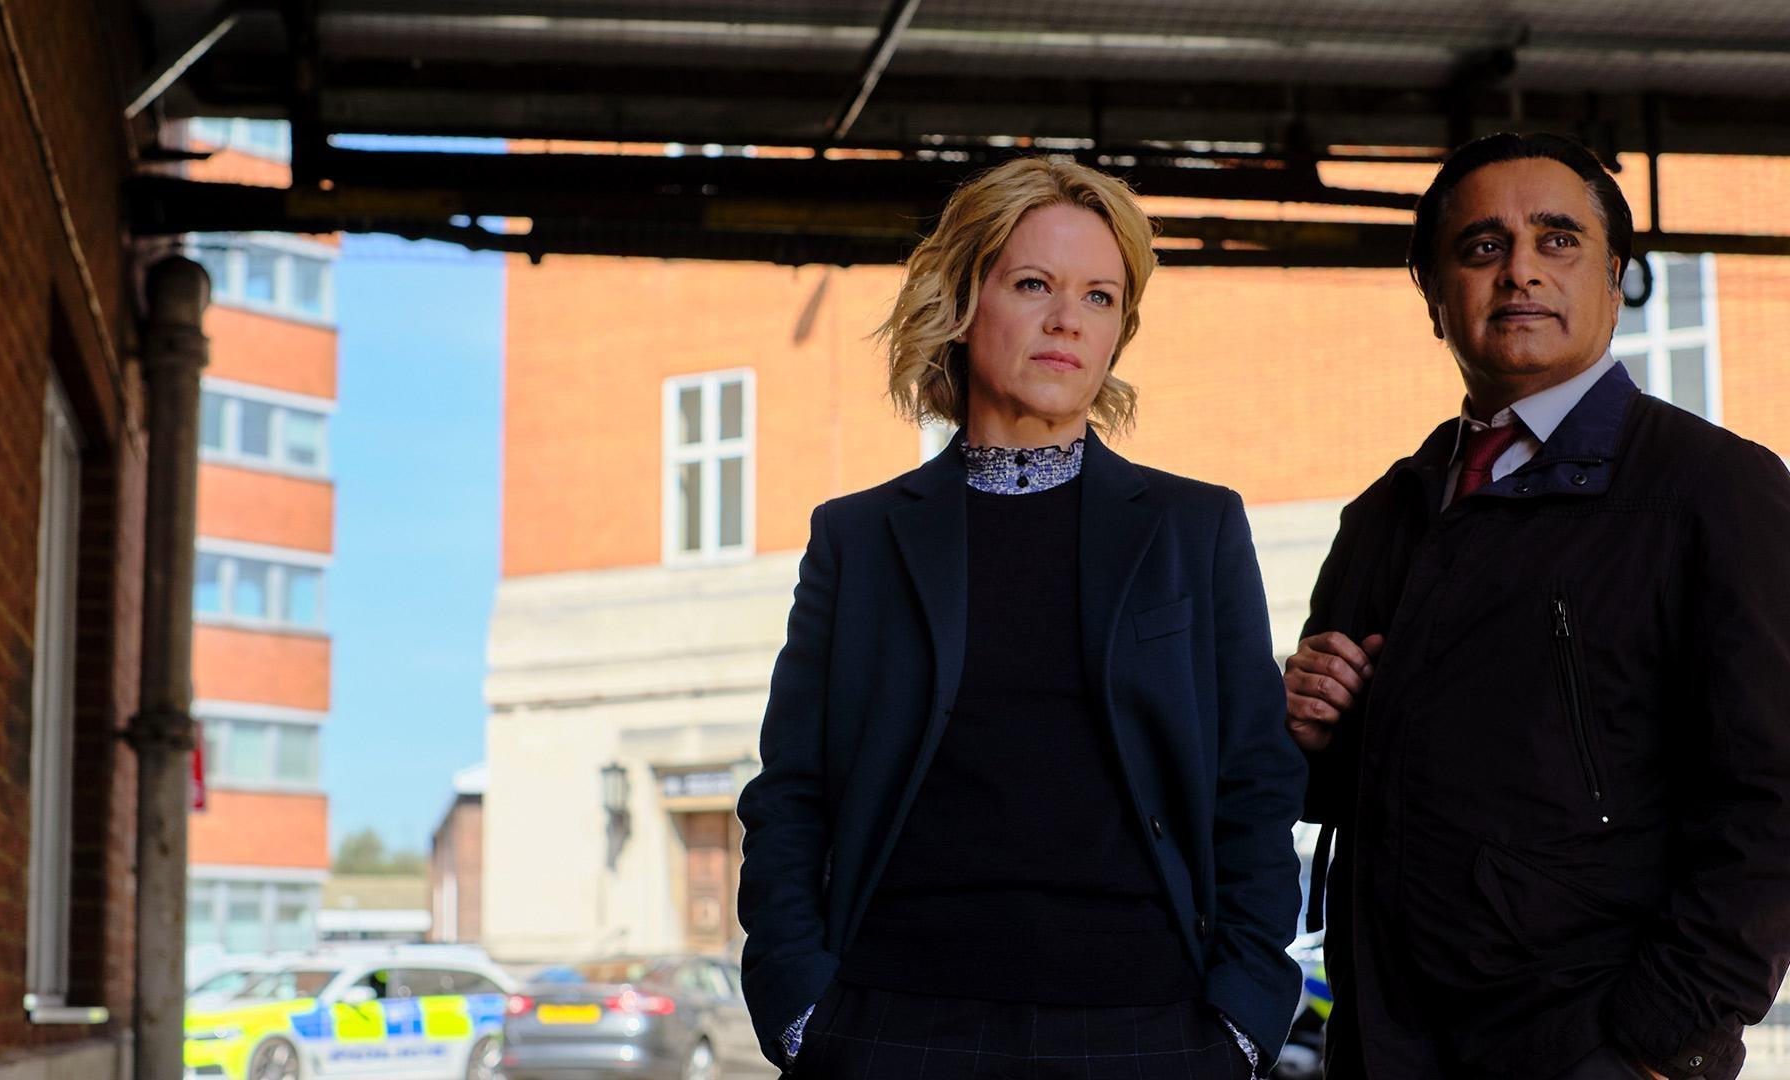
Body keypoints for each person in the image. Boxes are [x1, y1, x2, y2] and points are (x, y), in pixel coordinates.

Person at [737, 156, 1307, 1079]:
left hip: (1152, 1028)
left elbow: (1255, 780)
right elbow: (791, 793)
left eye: (1099, 297)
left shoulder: (1194, 528)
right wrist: (800, 1006)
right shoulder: (858, 539)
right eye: (1034, 284)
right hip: (891, 1025)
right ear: (964, 303)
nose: (1067, 319)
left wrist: (1241, 1021)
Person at [1286, 132, 1790, 1080]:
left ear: (1615, 278)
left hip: (1592, 1048)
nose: (1520, 269)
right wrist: (1312, 731)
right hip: (1386, 1046)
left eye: (1558, 240)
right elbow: (1362, 788)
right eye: (1483, 246)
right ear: (1434, 294)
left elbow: (1772, 800)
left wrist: (1661, 1043)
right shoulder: (1388, 512)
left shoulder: (1715, 492)